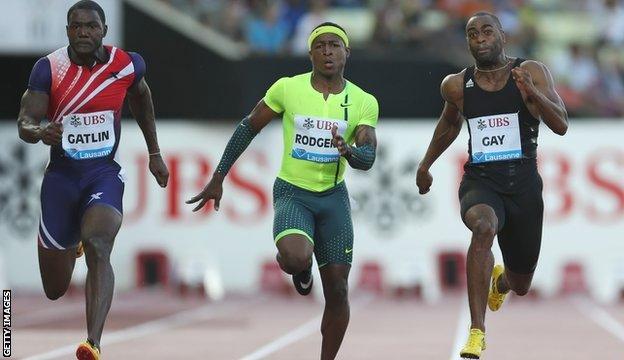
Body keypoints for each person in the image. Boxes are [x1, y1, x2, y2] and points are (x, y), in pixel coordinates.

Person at [187, 22, 378, 360]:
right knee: (295, 256)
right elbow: (249, 126)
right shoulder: (287, 89)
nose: (328, 51)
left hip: (333, 197)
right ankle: (301, 269)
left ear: (347, 52)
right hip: (293, 192)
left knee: (337, 291)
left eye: (335, 45)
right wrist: (219, 175)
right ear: (310, 54)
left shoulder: (363, 101)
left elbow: (368, 157)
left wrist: (349, 151)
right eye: (320, 46)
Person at [16, 1, 169, 359]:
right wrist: (40, 131)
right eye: (75, 26)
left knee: (100, 243)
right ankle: (73, 241)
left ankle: (93, 343)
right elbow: (25, 121)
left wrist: (155, 152)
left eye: (90, 26)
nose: (83, 32)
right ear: (67, 30)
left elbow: (142, 99)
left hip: (103, 173)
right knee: (54, 288)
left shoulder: (127, 64)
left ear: (104, 30)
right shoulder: (48, 69)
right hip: (61, 180)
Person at [415, 12, 568, 359]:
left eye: (487, 31)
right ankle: (477, 332)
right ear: (467, 43)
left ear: (503, 36)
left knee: (522, 285)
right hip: (480, 182)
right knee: (483, 227)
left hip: (525, 188)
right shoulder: (456, 85)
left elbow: (560, 125)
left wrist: (532, 94)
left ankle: (501, 282)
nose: (480, 38)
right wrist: (426, 165)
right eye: (472, 34)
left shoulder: (531, 72)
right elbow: (448, 125)